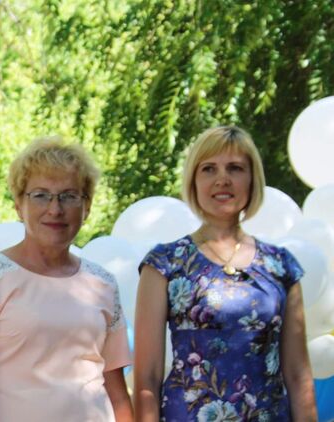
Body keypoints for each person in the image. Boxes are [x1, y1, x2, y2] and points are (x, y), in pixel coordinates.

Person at [134, 126, 317, 421]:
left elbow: (298, 376)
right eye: (209, 169)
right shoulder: (164, 263)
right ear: (193, 181)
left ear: (252, 179)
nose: (223, 179)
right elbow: (147, 379)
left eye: (235, 168)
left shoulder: (282, 266)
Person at [0, 137, 134, 422]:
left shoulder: (103, 284)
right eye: (41, 195)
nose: (55, 209)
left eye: (69, 195)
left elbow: (117, 394)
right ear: (19, 204)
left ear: (87, 206)